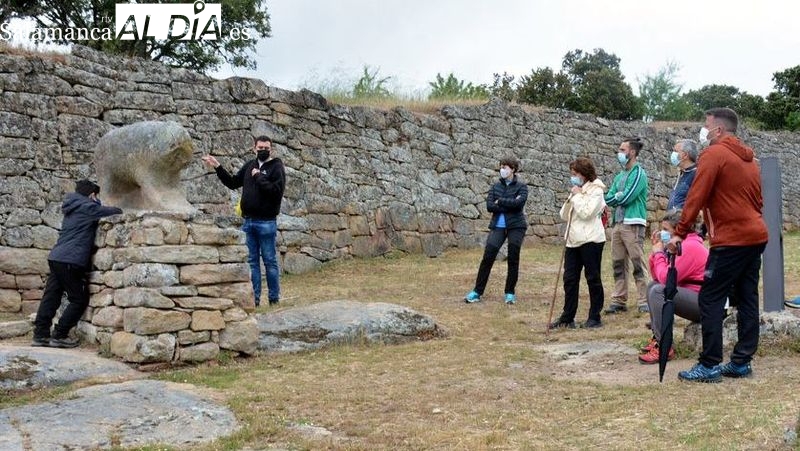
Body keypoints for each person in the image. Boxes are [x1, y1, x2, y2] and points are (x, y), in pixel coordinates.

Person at [669, 108, 769, 383]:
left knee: (711, 298)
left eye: (706, 125)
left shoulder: (713, 154)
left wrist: (680, 232)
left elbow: (696, 196)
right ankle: (741, 361)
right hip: (755, 235)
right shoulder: (750, 160)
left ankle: (710, 364)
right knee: (748, 297)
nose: (703, 130)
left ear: (719, 130)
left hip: (731, 240)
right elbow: (756, 201)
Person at [32, 180, 122, 348]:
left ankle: (40, 335)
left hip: (57, 257)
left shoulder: (72, 206)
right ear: (92, 195)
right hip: (71, 260)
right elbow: (115, 211)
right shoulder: (88, 207)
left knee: (51, 296)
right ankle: (59, 335)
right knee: (78, 299)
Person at [202, 136, 286, 307]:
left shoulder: (277, 167)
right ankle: (254, 299)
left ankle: (274, 299)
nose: (263, 150)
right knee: (252, 262)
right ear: (254, 148)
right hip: (248, 222)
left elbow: (276, 191)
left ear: (271, 149)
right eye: (260, 147)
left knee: (270, 261)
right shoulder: (250, 165)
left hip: (266, 222)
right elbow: (233, 183)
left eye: (266, 148)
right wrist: (218, 166)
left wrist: (259, 178)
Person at [639, 209, 707, 364]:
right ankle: (658, 338)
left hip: (704, 302)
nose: (663, 233)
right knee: (652, 286)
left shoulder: (689, 247)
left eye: (666, 230)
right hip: (692, 295)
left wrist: (658, 254)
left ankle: (665, 347)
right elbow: (657, 276)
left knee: (658, 291)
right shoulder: (679, 244)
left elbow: (665, 280)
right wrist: (658, 251)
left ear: (678, 230)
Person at [550, 157, 606, 329]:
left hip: (591, 240)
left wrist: (576, 197)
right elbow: (564, 215)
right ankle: (568, 317)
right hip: (573, 240)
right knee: (570, 279)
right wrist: (572, 197)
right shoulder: (578, 190)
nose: (573, 177)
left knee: (592, 278)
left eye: (575, 174)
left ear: (584, 174)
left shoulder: (597, 190)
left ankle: (594, 317)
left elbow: (587, 213)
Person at [464, 155, 528, 305]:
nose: (502, 170)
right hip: (498, 225)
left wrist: (501, 201)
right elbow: (490, 206)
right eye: (501, 167)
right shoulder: (495, 187)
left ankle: (510, 293)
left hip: (516, 226)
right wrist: (509, 202)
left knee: (513, 258)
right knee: (488, 257)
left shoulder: (521, 187)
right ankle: (477, 291)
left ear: (513, 169)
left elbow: (519, 204)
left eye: (505, 167)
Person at [603, 137, 649, 314]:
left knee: (637, 262)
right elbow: (608, 197)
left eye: (623, 150)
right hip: (618, 223)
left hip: (633, 223)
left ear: (632, 152)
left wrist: (617, 197)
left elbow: (627, 197)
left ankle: (644, 299)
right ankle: (619, 299)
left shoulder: (639, 173)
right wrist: (617, 197)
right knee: (618, 262)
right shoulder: (620, 176)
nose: (619, 153)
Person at [666, 139, 700, 211]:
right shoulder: (682, 173)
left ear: (685, 155)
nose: (673, 154)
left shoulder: (696, 174)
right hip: (673, 220)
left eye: (675, 151)